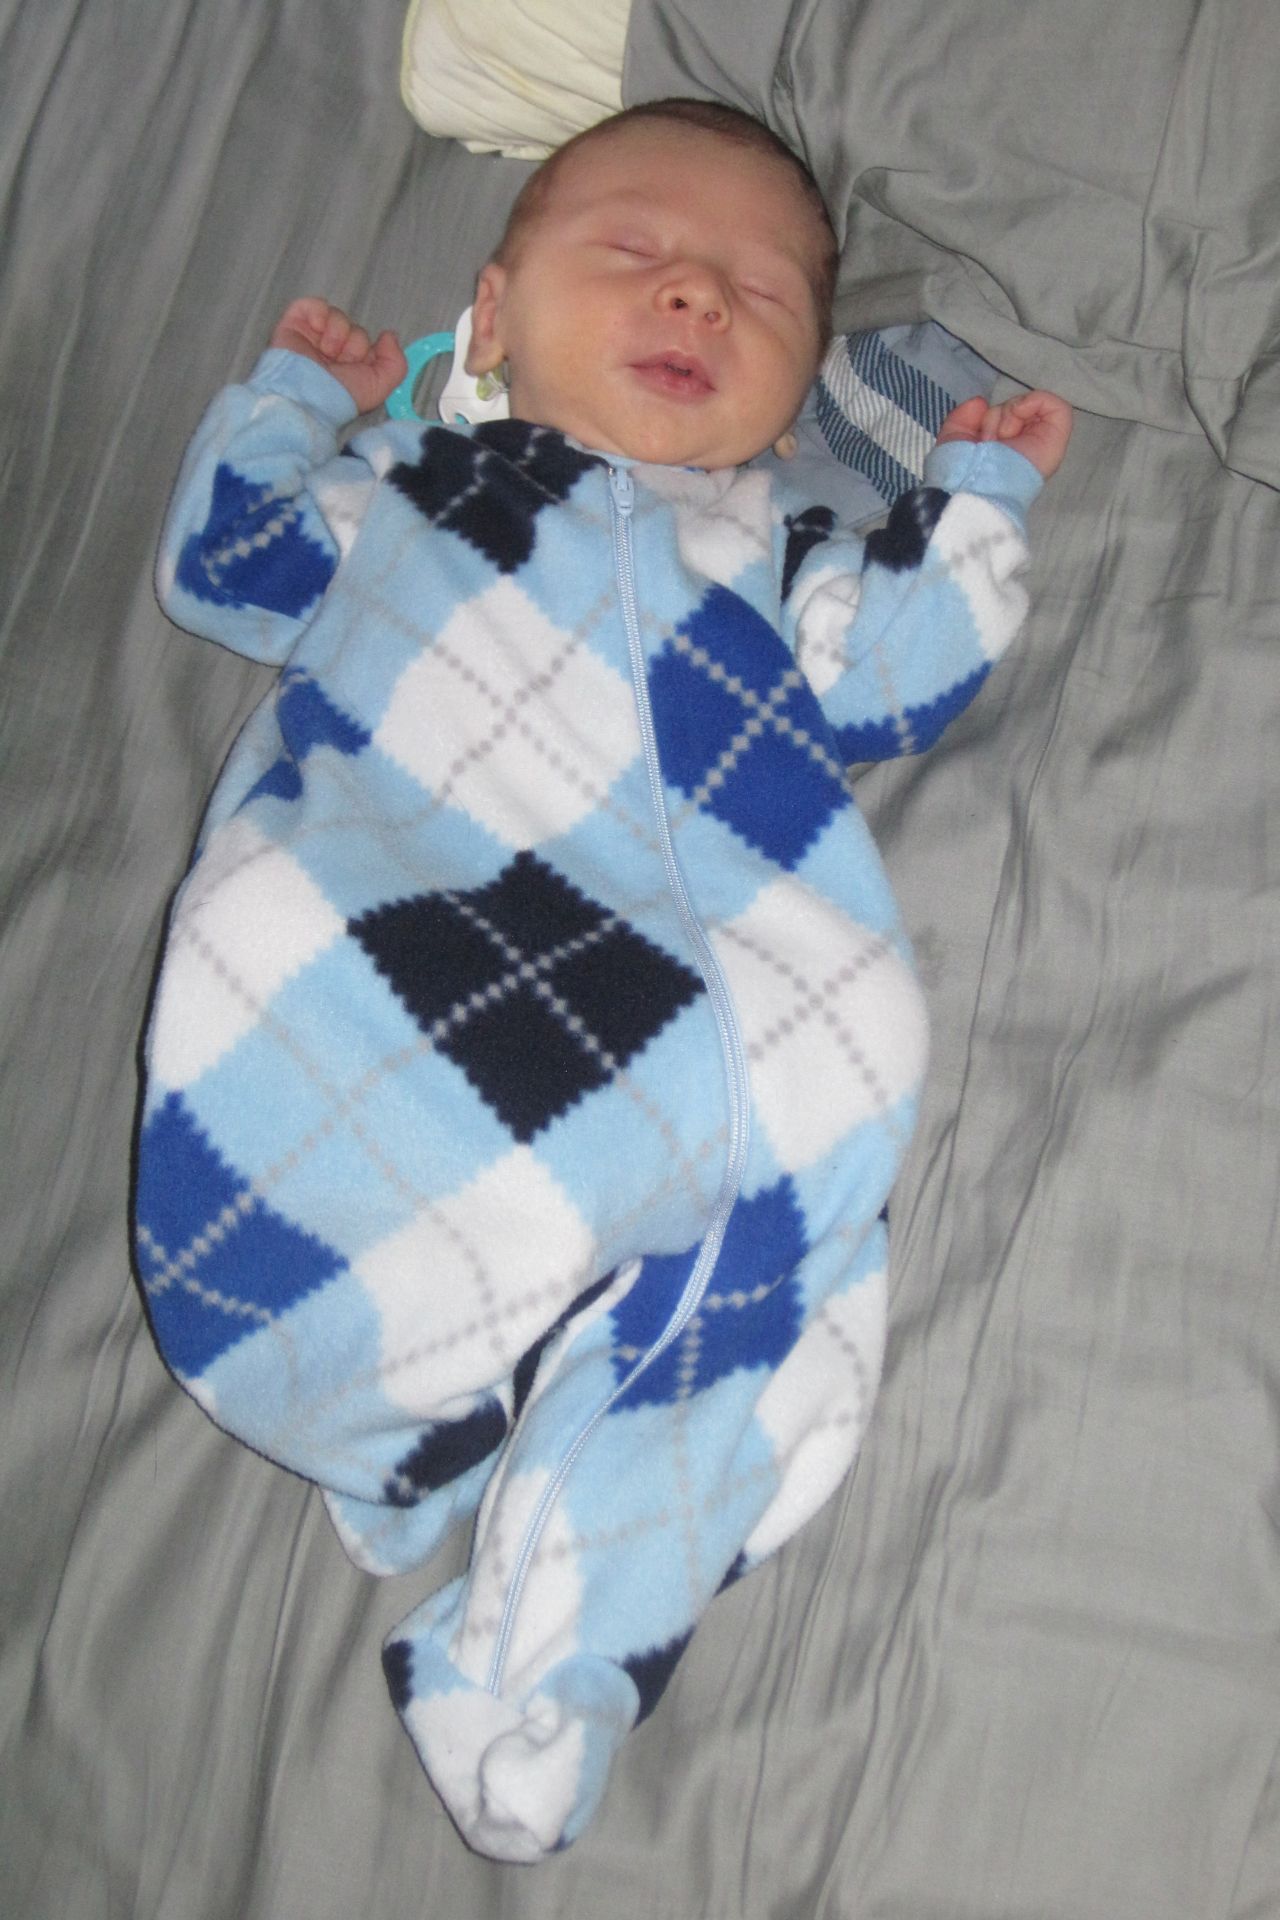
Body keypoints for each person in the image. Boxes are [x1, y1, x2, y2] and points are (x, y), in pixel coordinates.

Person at [134, 98, 1072, 1862]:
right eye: (634, 252)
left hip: (699, 1006)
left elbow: (890, 679)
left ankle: (541, 1661)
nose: (696, 296)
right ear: (492, 318)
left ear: (791, 398)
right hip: (400, 910)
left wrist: (976, 505)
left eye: (759, 296)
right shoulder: (410, 484)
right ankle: (405, 1394)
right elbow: (227, 566)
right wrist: (298, 404)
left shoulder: (782, 541)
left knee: (835, 1096)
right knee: (277, 938)